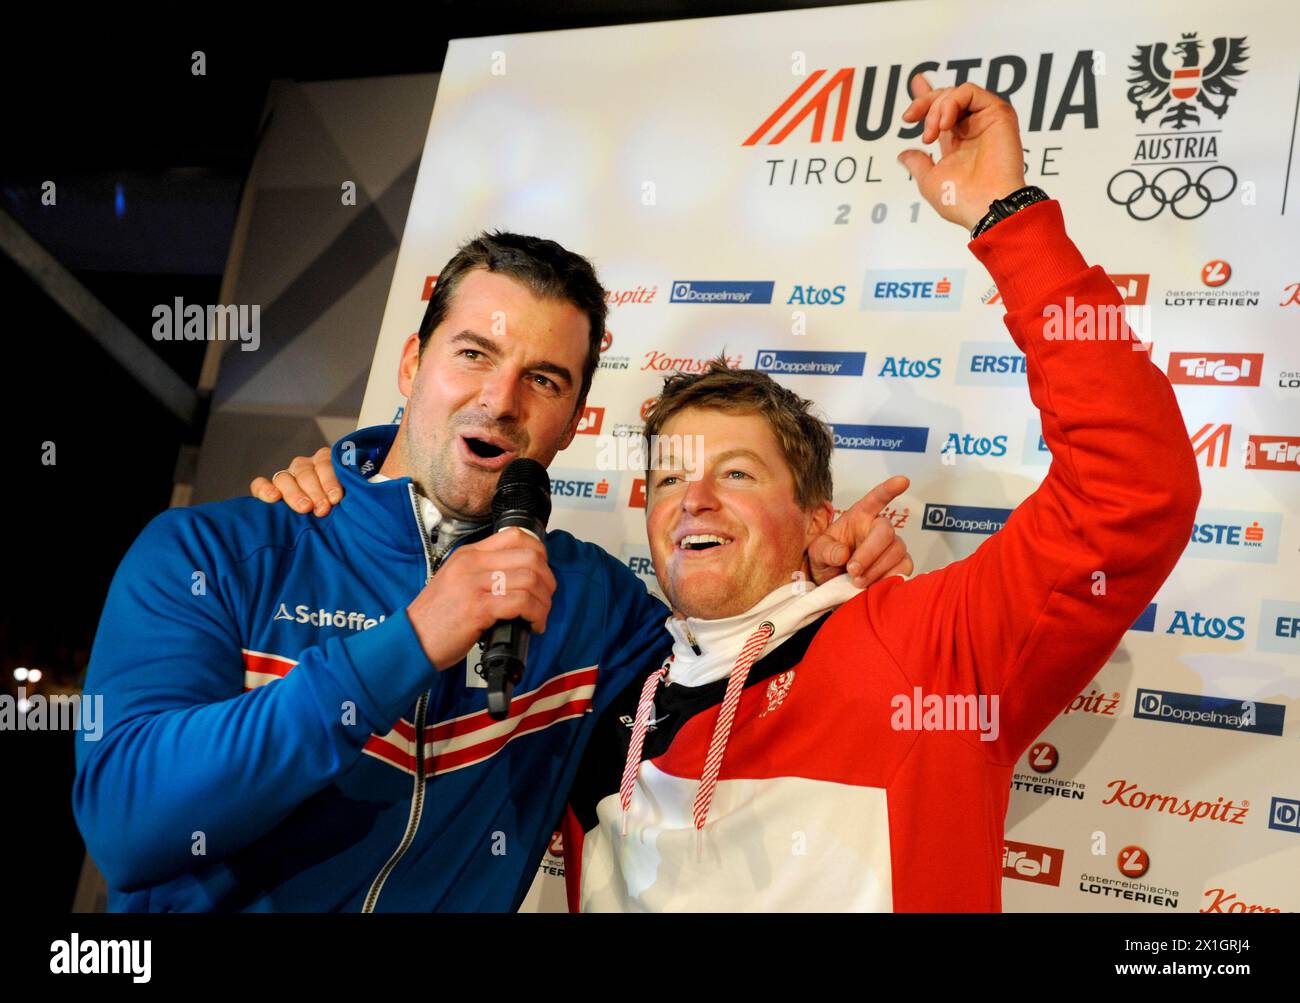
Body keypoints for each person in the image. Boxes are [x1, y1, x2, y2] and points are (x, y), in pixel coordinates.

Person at [74, 230, 909, 912]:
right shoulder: (213, 554)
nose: (502, 399)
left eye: (542, 379)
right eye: (473, 352)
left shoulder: (595, 605)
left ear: (575, 421)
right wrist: (408, 642)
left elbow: (724, 660)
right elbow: (125, 824)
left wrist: (812, 575)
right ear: (412, 364)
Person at [552, 76, 1202, 910]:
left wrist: (1009, 217)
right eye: (671, 476)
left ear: (816, 518)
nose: (695, 499)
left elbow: (1132, 489)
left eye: (738, 474)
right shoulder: (605, 690)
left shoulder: (923, 652)